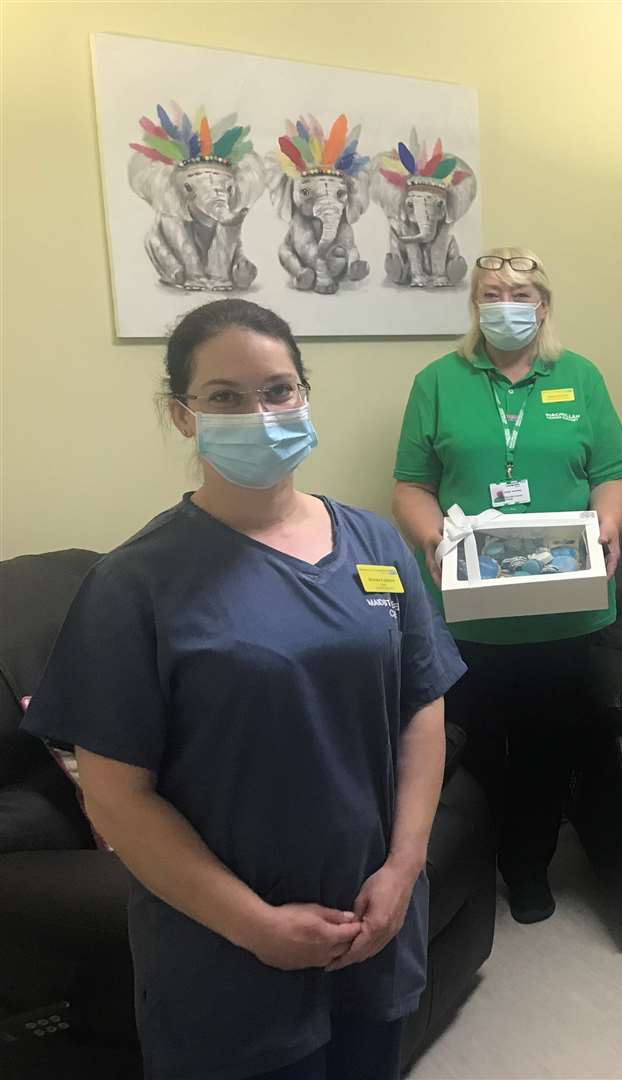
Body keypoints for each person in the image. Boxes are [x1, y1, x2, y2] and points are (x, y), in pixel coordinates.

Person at [21, 300, 465, 1080]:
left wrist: (403, 868)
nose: (258, 415)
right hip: (223, 955)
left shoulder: (374, 543)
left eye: (278, 391)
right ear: (182, 415)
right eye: (224, 396)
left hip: (375, 924)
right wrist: (256, 926)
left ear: (304, 396)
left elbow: (421, 710)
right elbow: (118, 797)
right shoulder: (133, 584)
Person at [392, 247, 622, 924]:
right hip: (468, 609)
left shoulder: (578, 378)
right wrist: (432, 538)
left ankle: (528, 867)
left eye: (521, 293)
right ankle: (478, 861)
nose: (507, 305)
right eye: (492, 293)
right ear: (474, 305)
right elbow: (412, 486)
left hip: (565, 607)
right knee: (472, 746)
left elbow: (612, 470)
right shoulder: (438, 381)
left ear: (544, 306)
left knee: (550, 747)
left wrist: (609, 525)